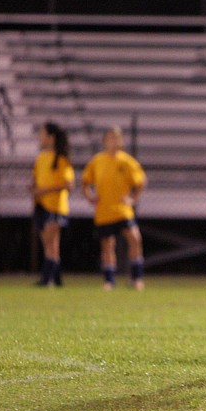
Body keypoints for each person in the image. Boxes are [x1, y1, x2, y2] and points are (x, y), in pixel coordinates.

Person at [81, 126, 147, 291]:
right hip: (104, 211)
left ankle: (137, 278)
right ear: (104, 141)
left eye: (117, 138)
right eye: (111, 138)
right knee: (108, 245)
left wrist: (132, 199)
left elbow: (141, 182)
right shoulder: (97, 161)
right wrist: (89, 197)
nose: (114, 141)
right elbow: (85, 181)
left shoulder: (127, 161)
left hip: (122, 210)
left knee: (134, 239)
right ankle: (109, 280)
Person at [30, 122, 74, 288]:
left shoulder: (61, 159)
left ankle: (46, 279)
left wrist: (44, 190)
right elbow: (36, 180)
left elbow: (68, 184)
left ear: (51, 138)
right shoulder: (41, 158)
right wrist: (34, 188)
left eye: (42, 134)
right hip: (41, 205)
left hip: (55, 206)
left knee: (51, 244)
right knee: (48, 245)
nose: (39, 137)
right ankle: (56, 279)